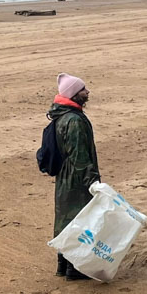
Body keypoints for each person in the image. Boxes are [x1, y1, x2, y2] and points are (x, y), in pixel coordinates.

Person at [49, 73, 100, 280]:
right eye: (83, 89)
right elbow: (80, 156)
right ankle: (74, 269)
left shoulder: (61, 116)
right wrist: (92, 181)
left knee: (65, 221)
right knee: (79, 220)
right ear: (73, 94)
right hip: (76, 180)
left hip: (65, 177)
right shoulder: (74, 120)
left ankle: (63, 265)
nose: (87, 92)